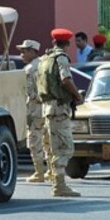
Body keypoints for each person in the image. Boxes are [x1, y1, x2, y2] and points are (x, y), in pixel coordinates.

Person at [37, 28, 84, 197]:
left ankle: (54, 178)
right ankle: (59, 184)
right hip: (58, 108)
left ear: (53, 42)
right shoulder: (61, 58)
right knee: (64, 147)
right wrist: (77, 95)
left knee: (52, 146)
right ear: (68, 43)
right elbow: (66, 79)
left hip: (47, 107)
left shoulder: (44, 59)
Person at [17, 39, 52, 183]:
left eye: (24, 52)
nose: (21, 55)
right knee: (47, 141)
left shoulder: (30, 69)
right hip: (47, 108)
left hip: (34, 109)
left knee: (34, 141)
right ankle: (51, 170)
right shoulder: (44, 64)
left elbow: (30, 92)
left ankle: (39, 172)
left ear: (32, 52)